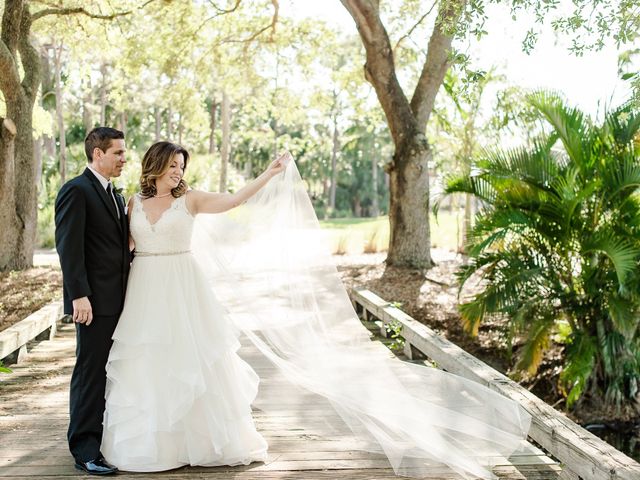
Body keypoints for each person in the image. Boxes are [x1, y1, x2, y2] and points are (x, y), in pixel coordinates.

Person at [100, 141, 287, 471]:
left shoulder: (190, 199)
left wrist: (267, 175)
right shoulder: (134, 203)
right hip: (144, 286)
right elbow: (122, 247)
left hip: (183, 286)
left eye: (181, 167)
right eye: (172, 165)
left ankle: (200, 442)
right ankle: (155, 444)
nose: (177, 172)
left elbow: (233, 200)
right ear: (155, 165)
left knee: (190, 357)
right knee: (148, 359)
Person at [55, 127, 129, 475]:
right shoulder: (76, 190)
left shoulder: (114, 194)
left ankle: (107, 439)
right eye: (117, 153)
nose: (124, 159)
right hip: (93, 303)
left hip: (121, 299)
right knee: (90, 373)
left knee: (112, 372)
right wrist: (78, 296)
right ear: (97, 154)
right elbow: (68, 250)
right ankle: (85, 450)